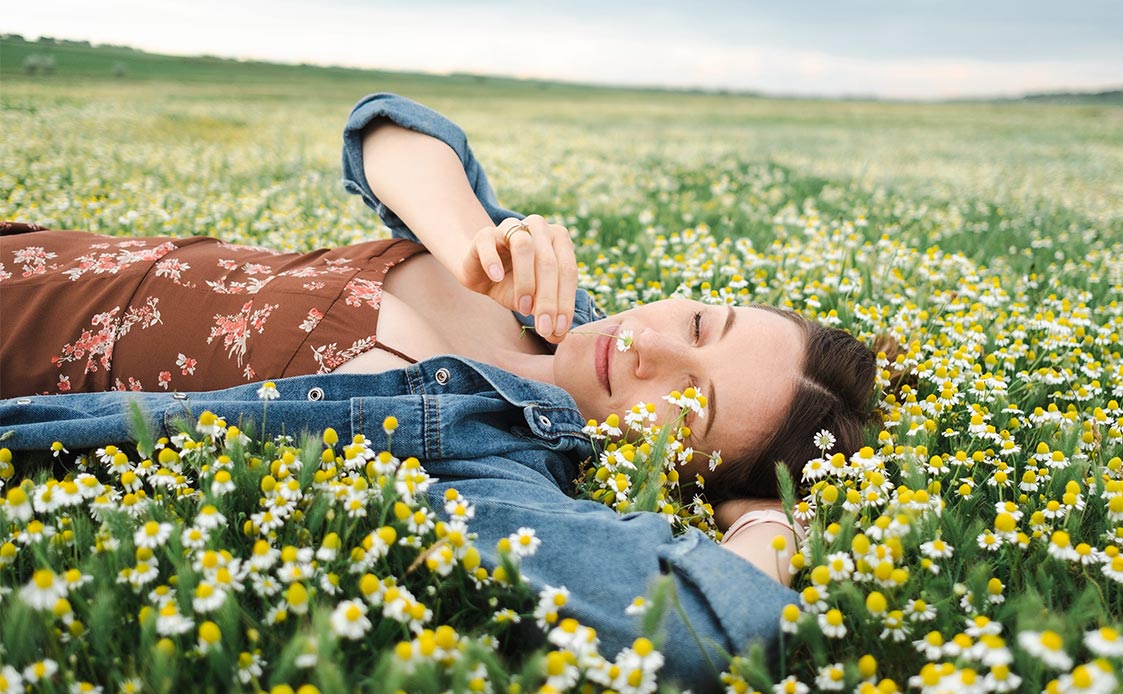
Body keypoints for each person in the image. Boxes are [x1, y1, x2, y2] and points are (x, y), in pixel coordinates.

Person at [0, 93, 880, 687]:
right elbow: (386, 129)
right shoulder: (540, 288)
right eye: (697, 324)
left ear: (672, 474)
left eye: (691, 403)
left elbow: (705, 629)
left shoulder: (495, 460)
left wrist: (766, 520)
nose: (647, 347)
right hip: (35, 256)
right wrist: (465, 237)